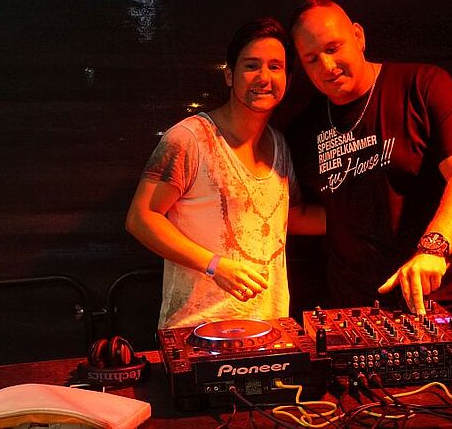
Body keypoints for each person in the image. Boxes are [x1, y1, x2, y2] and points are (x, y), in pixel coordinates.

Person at [286, 0, 452, 315]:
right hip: (355, 310)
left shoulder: (422, 84)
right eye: (311, 59)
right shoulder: (305, 128)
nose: (327, 66)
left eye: (333, 48)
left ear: (358, 36)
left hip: (440, 300)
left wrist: (433, 249)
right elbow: (313, 215)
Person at [126, 18, 320, 329]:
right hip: (197, 332)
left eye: (275, 67)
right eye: (251, 66)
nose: (264, 77)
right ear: (229, 75)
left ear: (288, 78)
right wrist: (214, 265)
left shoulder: (279, 144)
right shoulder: (190, 138)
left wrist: (378, 219)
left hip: (270, 329)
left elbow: (292, 217)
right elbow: (141, 217)